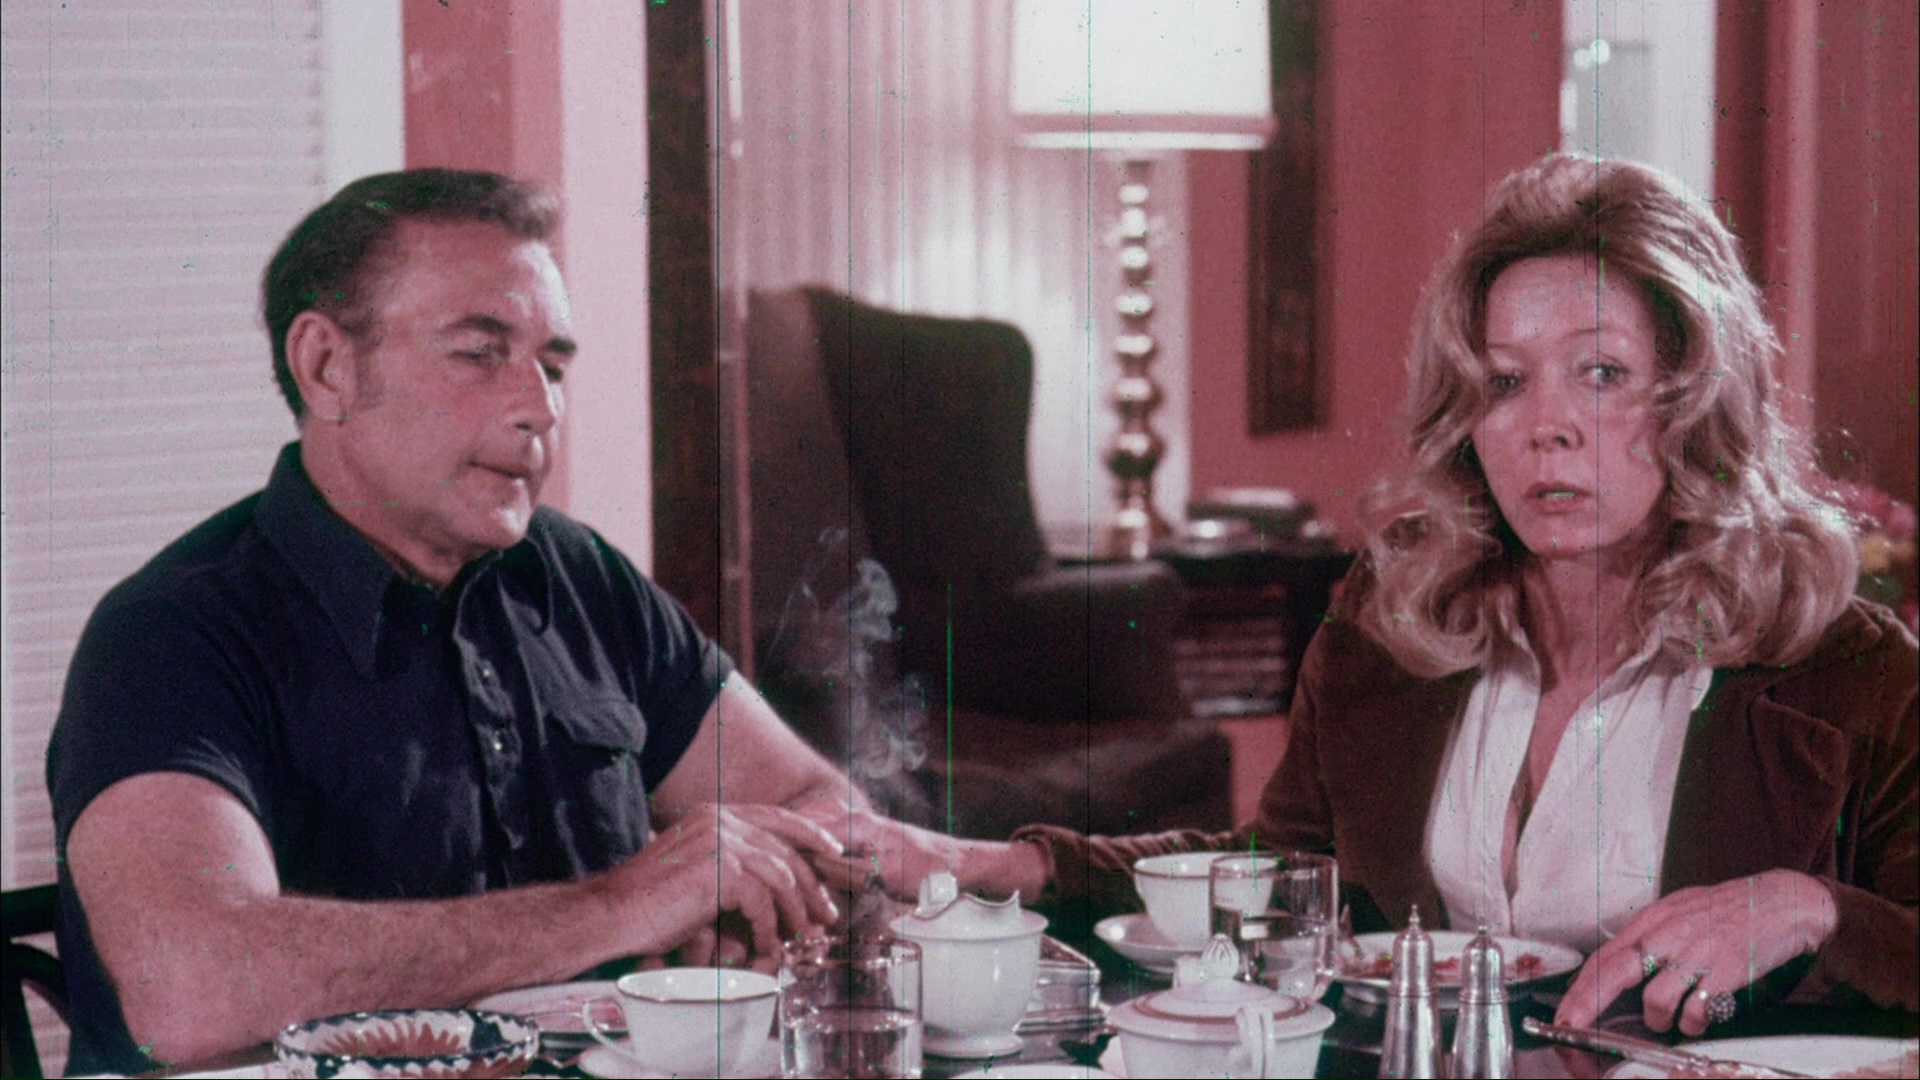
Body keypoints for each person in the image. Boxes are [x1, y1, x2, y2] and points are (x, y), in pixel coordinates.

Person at [820, 152, 1918, 1035]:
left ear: (1695, 397)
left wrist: (1815, 908)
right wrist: (996, 865)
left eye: (1602, 373)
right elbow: (1277, 877)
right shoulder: (1394, 628)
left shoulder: (1847, 672)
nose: (1548, 425)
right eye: (1503, 381)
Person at [47, 169, 866, 1075]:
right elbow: (190, 987)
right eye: (480, 353)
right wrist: (622, 907)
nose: (540, 407)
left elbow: (813, 804)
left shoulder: (576, 574)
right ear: (325, 367)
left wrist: (757, 897)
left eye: (552, 366)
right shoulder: (167, 635)